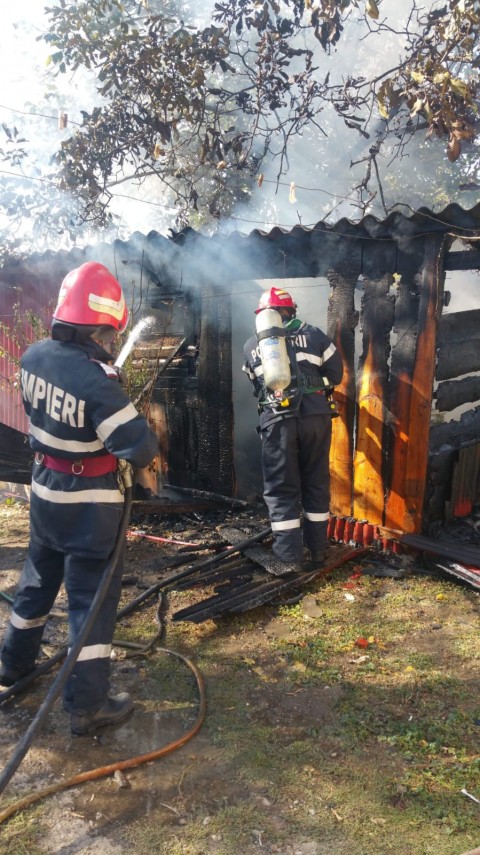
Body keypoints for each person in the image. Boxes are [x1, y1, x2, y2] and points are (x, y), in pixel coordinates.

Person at [0, 261, 158, 735]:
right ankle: (87, 706)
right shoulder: (97, 382)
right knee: (90, 602)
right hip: (90, 508)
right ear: (102, 322)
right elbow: (139, 445)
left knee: (36, 583)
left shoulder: (32, 358)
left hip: (46, 496)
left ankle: (12, 667)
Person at [242, 286, 343, 575]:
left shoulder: (252, 344)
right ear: (292, 311)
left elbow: (255, 385)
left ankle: (288, 556)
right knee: (316, 481)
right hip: (316, 418)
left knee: (281, 489)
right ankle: (318, 551)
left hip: (278, 421)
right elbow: (336, 375)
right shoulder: (314, 335)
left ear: (262, 315)